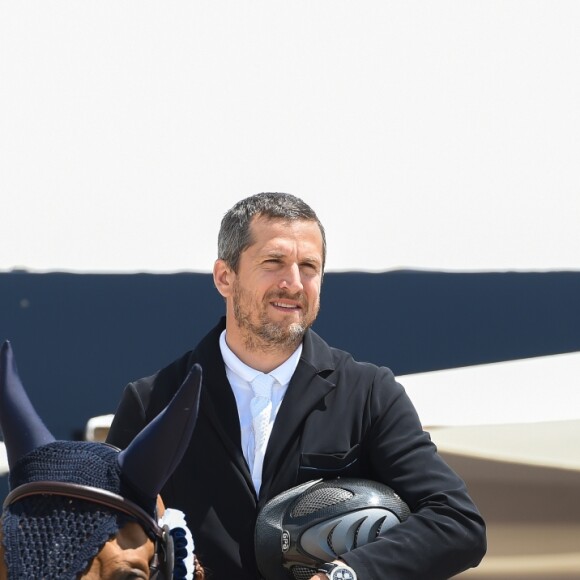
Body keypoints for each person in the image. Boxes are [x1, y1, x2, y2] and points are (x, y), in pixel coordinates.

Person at [106, 192, 486, 579]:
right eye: (274, 262)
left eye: (309, 266)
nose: (293, 282)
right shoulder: (152, 401)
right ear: (225, 276)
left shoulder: (369, 392)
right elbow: (105, 532)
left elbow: (457, 523)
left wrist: (345, 575)